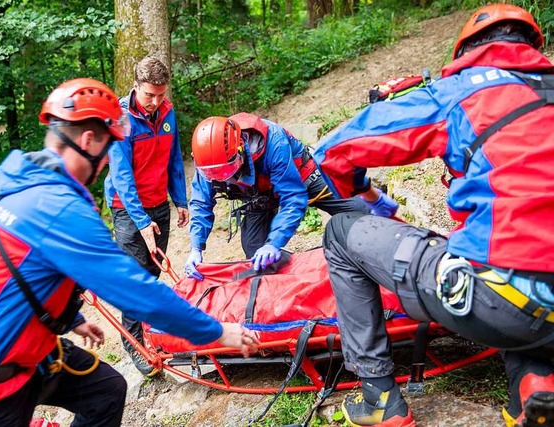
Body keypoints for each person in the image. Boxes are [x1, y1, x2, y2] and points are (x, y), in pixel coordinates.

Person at [0, 78, 259, 427]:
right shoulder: (58, 209)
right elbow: (139, 293)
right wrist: (217, 333)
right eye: (108, 150)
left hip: (25, 354)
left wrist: (71, 319)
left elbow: (16, 270)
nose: (105, 163)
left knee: (106, 391)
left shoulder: (21, 180)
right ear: (88, 140)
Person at [314, 4, 554, 426]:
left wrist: (360, 193)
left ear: (466, 53)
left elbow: (335, 150)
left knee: (339, 232)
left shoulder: (460, 92)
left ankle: (379, 398)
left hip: (498, 297)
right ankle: (536, 382)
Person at [184, 113, 394, 279]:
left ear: (239, 150)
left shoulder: (272, 141)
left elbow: (293, 198)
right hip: (258, 194)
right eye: (215, 174)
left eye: (225, 170)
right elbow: (201, 203)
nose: (222, 178)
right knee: (256, 253)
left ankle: (390, 237)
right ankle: (302, 277)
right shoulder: (209, 163)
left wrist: (274, 241)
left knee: (360, 213)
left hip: (301, 178)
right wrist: (195, 247)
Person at [104, 57, 189, 376]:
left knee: (152, 272)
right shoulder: (120, 121)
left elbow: (174, 158)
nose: (155, 102)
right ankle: (134, 344)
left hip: (158, 202)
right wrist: (141, 223)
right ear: (136, 86)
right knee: (134, 277)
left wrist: (180, 199)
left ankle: (148, 328)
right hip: (127, 209)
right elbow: (122, 176)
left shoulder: (167, 113)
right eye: (149, 95)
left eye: (161, 95)